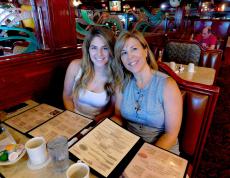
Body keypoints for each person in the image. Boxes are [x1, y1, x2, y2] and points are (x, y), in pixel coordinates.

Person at [112, 30, 182, 154]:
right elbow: (118, 117)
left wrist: (145, 155)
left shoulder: (168, 85)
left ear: (145, 51)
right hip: (129, 146)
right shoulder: (121, 84)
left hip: (162, 149)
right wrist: (105, 129)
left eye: (134, 49)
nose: (130, 56)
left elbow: (171, 134)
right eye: (124, 53)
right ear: (121, 59)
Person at [63, 27, 118, 122]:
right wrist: (73, 119)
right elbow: (67, 97)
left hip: (96, 123)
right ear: (88, 49)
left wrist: (93, 122)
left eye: (105, 48)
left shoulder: (115, 77)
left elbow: (111, 109)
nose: (99, 54)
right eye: (94, 48)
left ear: (111, 50)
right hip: (71, 117)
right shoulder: (75, 66)